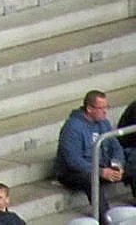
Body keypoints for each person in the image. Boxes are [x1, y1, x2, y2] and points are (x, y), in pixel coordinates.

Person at [55, 90, 125, 219]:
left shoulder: (104, 123)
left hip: (102, 166)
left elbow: (116, 147)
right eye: (101, 108)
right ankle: (106, 218)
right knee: (89, 178)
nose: (105, 111)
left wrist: (117, 165)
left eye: (106, 107)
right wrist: (100, 172)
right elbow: (73, 161)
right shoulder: (72, 128)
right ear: (89, 108)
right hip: (74, 173)